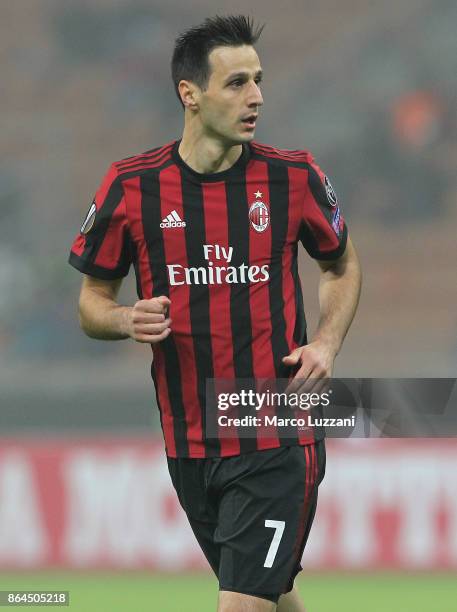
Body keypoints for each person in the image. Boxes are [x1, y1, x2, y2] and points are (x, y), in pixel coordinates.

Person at [69, 15, 361, 612]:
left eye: (258, 80)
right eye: (236, 83)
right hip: (188, 443)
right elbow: (90, 304)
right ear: (190, 94)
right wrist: (125, 319)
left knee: (240, 604)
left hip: (278, 432)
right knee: (271, 595)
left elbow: (342, 266)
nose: (256, 97)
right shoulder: (131, 188)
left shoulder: (294, 177)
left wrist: (326, 343)